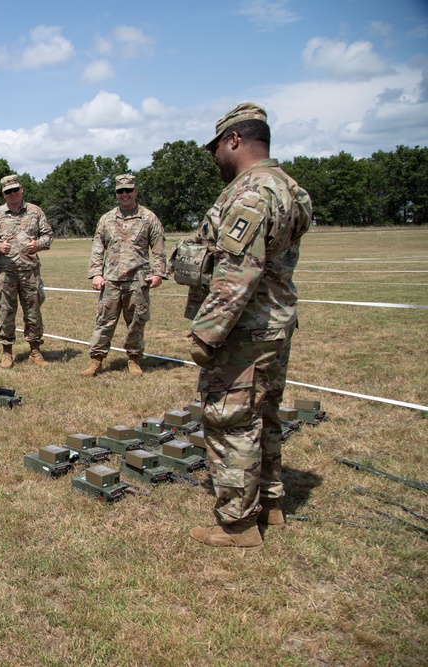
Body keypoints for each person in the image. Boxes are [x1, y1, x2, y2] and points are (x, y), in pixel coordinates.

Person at [186, 102, 312, 550]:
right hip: (276, 323)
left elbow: (237, 274)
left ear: (234, 140)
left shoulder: (251, 194)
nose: (215, 156)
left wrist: (206, 333)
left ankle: (237, 525)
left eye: (216, 146)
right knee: (266, 413)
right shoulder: (289, 188)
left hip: (246, 329)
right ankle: (271, 503)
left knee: (231, 419)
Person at [81, 173, 167, 377]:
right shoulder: (107, 219)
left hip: (138, 281)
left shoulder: (148, 218)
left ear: (135, 191)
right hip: (110, 281)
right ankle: (96, 360)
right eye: (120, 191)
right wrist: (95, 273)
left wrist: (159, 273)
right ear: (116, 194)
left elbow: (159, 248)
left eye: (128, 190)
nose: (124, 194)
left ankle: (134, 359)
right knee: (104, 322)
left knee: (136, 322)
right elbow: (97, 247)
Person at [0, 174, 53, 368]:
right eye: (8, 192)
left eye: (15, 190)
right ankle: (7, 352)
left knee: (33, 312)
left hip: (30, 272)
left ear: (21, 190)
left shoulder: (35, 212)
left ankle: (35, 350)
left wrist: (38, 244)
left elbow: (48, 235)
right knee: (6, 312)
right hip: (5, 273)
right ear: (4, 194)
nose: (12, 194)